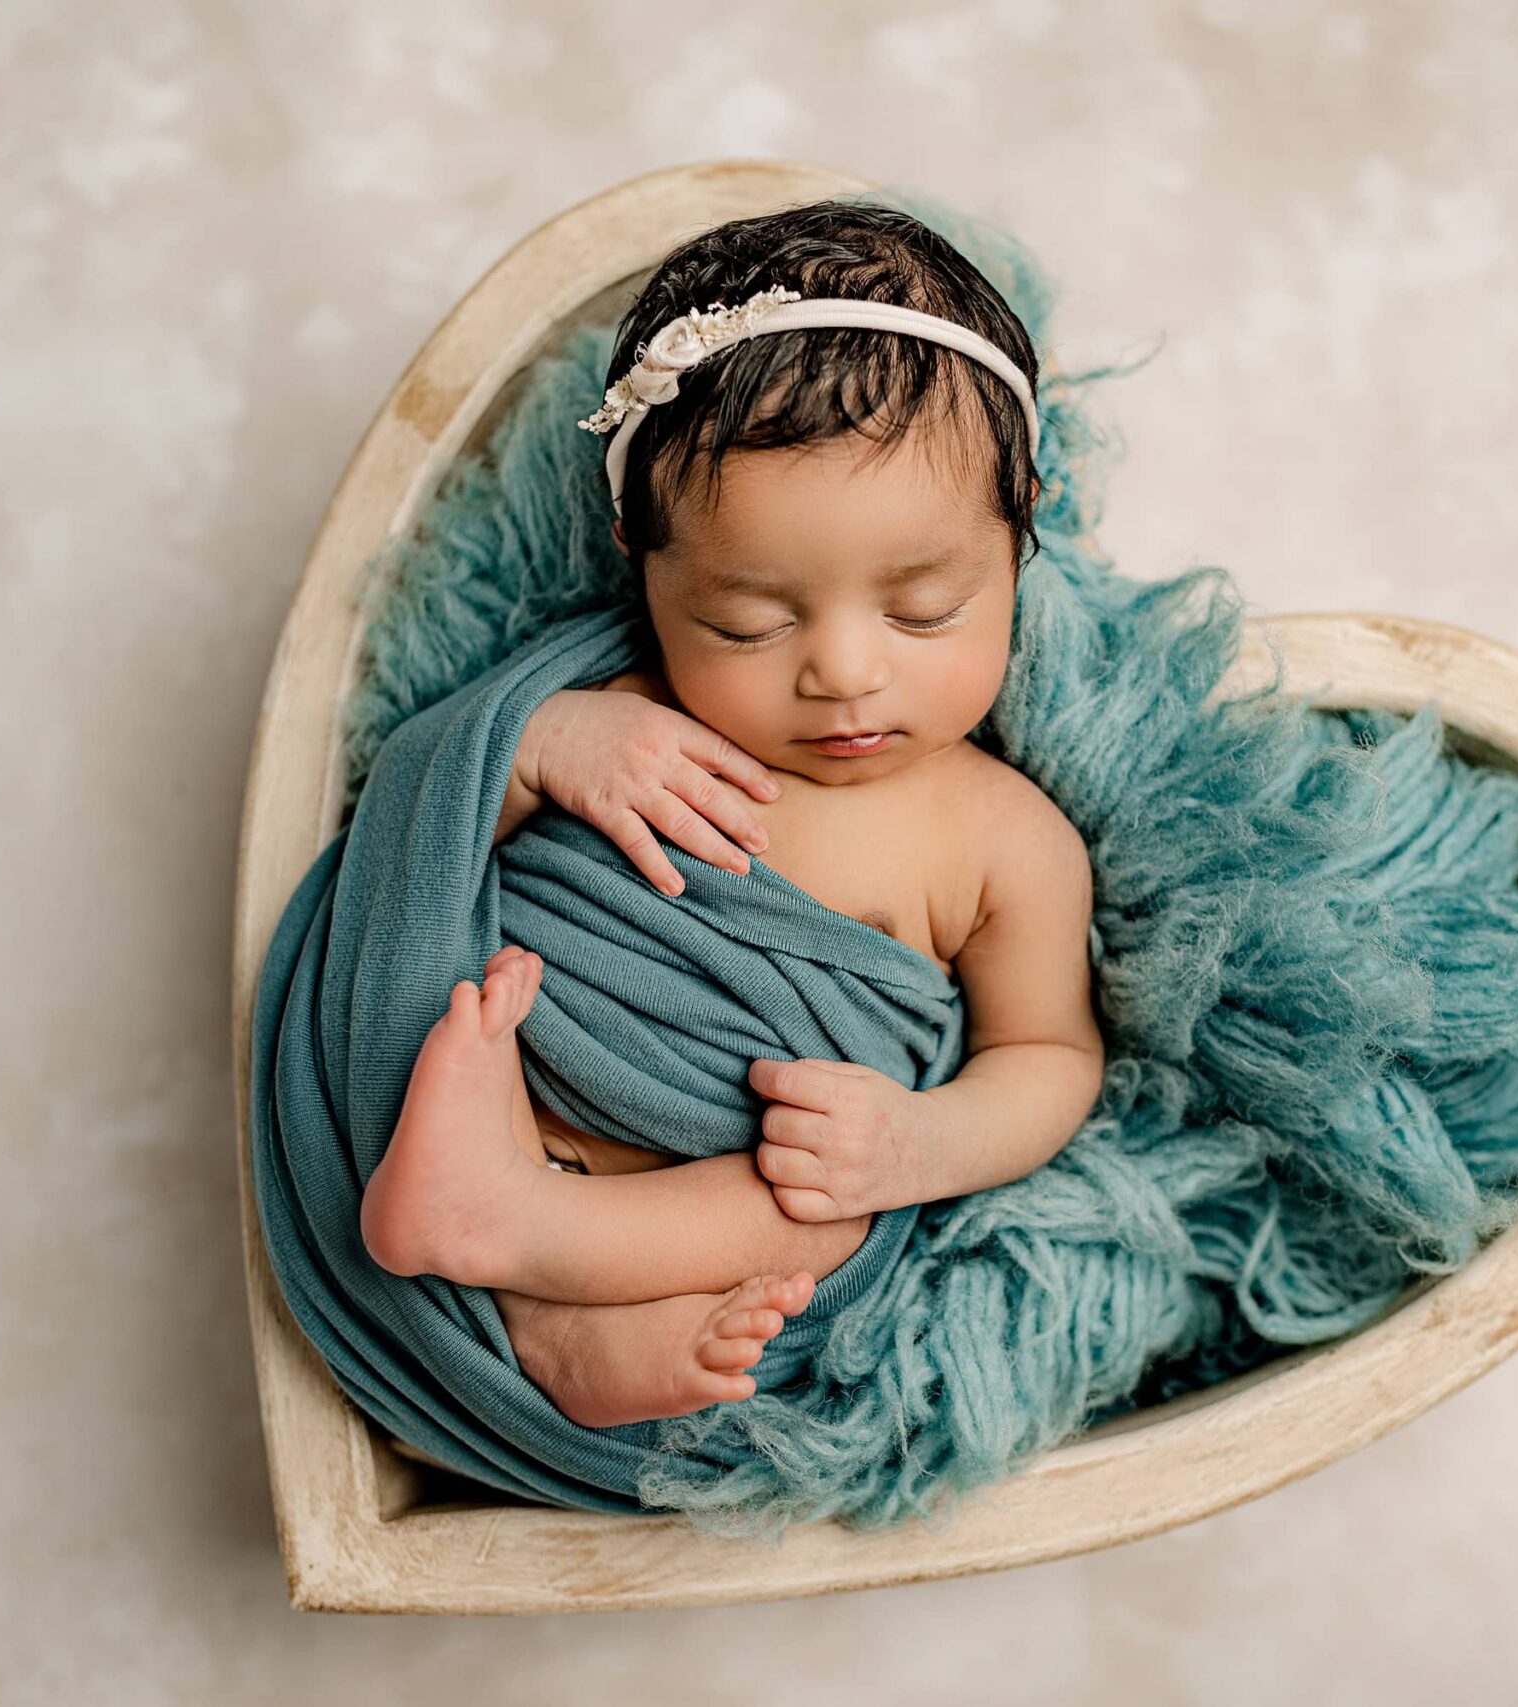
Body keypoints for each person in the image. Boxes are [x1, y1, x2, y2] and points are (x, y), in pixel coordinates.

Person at [358, 200, 1105, 1429]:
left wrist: (922, 1141)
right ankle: (521, 1259)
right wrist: (536, 749)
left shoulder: (1005, 842)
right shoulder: (619, 706)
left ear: (1020, 528)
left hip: (705, 1211)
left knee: (820, 1216)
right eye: (746, 623)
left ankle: (548, 1282)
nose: (844, 673)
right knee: (453, 1007)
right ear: (640, 561)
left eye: (922, 610)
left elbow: (1049, 1058)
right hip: (487, 1088)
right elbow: (414, 853)